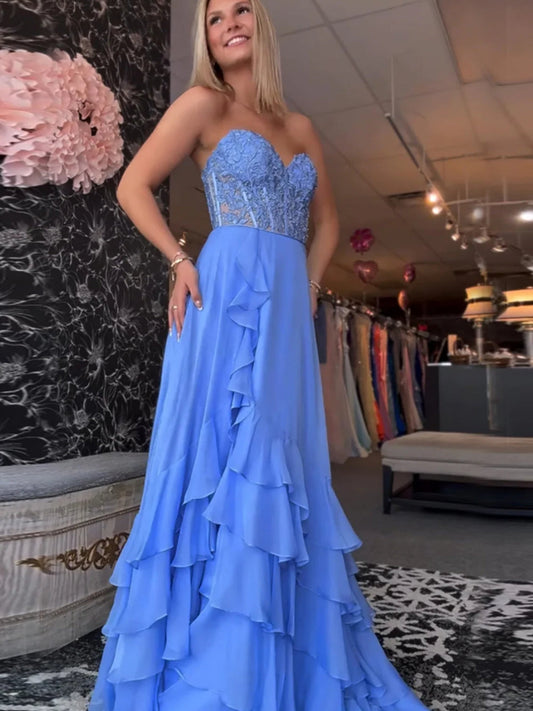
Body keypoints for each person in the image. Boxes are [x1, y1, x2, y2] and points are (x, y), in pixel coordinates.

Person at [88, 1, 431, 709]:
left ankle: (275, 633)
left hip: (284, 309)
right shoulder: (202, 104)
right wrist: (179, 260)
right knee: (219, 448)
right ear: (207, 38)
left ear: (261, 23)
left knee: (277, 453)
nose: (229, 23)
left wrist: (309, 287)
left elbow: (327, 221)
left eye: (241, 9)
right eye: (214, 18)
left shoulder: (300, 127)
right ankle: (214, 650)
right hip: (224, 294)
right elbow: (131, 186)